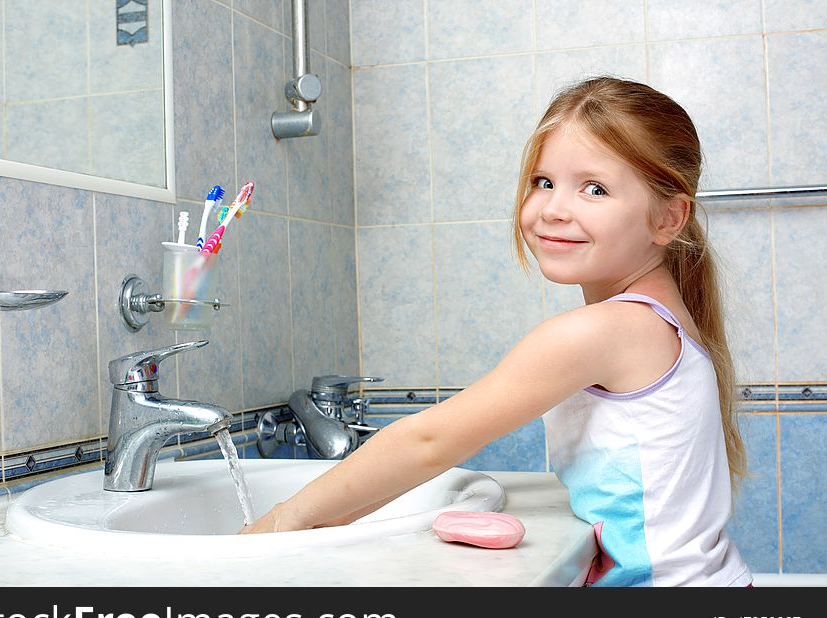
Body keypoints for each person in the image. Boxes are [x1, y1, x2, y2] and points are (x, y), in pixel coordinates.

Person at [242, 76, 752, 587]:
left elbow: (428, 442)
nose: (553, 207)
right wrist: (320, 521)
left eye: (594, 188)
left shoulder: (607, 329)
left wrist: (281, 520)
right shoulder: (660, 316)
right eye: (543, 181)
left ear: (669, 218)